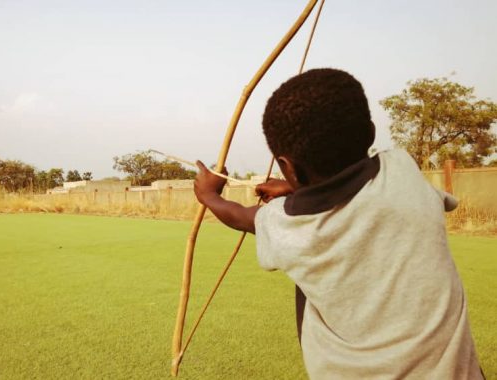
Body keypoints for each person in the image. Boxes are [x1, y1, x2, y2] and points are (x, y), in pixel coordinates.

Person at [193, 68, 483, 379]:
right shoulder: (401, 168)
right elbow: (353, 185)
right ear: (371, 132)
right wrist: (296, 185)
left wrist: (210, 196)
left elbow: (241, 217)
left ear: (285, 165)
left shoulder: (292, 225)